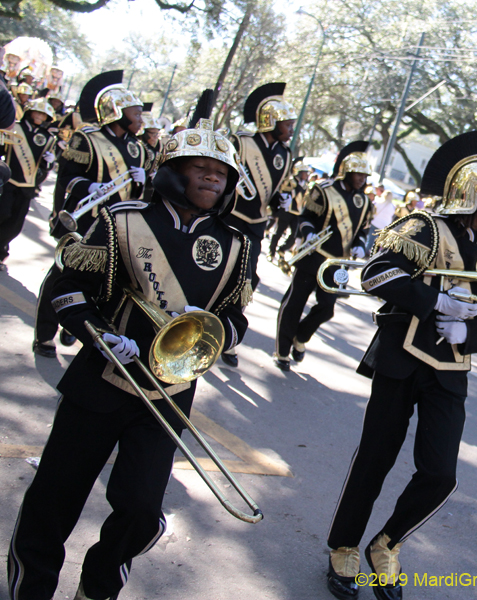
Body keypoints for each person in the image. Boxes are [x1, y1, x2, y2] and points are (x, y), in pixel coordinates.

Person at [6, 117, 251, 600]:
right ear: (171, 170)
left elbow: (237, 317)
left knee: (141, 511)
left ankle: (96, 589)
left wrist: (215, 329)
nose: (210, 178)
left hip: (168, 394)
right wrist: (99, 335)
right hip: (101, 379)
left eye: (220, 173)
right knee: (53, 502)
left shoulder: (237, 244)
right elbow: (65, 286)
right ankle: (31, 588)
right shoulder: (124, 219)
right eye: (199, 168)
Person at [324, 130, 477, 600]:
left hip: (451, 371)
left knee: (440, 474)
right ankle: (343, 546)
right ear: (475, 194)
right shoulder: (425, 227)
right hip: (402, 357)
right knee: (375, 458)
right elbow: (376, 273)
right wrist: (434, 303)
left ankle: (386, 543)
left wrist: (468, 332)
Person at [35, 70, 148, 359]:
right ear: (118, 112)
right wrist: (90, 186)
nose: (141, 119)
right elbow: (67, 177)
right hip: (85, 220)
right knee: (61, 277)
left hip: (116, 227)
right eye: (136, 113)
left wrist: (143, 180)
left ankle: (73, 325)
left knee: (100, 284)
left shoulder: (138, 149)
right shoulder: (87, 138)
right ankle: (44, 335)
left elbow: (137, 196)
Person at [273, 141, 372, 369]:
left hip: (337, 263)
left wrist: (359, 244)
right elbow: (306, 216)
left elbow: (364, 228)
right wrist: (307, 233)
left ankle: (301, 337)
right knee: (294, 303)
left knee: (327, 308)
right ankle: (282, 351)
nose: (361, 179)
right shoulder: (323, 189)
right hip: (314, 255)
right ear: (346, 172)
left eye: (364, 175)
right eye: (358, 174)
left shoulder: (364, 201)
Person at [221, 82, 296, 367]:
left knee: (246, 280)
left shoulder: (285, 155)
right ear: (270, 122)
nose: (290, 128)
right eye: (286, 123)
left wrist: (279, 202)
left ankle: (227, 338)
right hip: (228, 217)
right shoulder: (242, 143)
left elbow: (273, 190)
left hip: (255, 225)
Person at [0, 98, 56, 272]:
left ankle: (1, 251)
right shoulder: (13, 128)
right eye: (38, 112)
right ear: (30, 112)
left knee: (15, 224)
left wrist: (50, 162)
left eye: (44, 114)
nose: (40, 116)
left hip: (27, 187)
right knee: (2, 214)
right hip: (9, 182)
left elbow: (44, 168)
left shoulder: (48, 138)